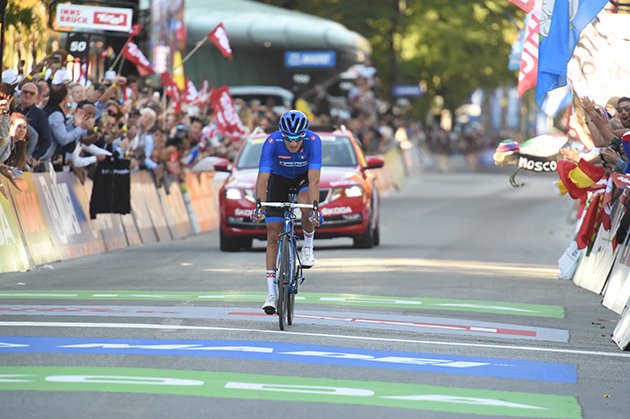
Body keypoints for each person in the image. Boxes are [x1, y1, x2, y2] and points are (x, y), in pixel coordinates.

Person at [251, 110, 323, 315]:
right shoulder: (272, 142)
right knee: (273, 235)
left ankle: (308, 244)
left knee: (304, 204)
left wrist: (315, 207)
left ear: (304, 134)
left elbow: (314, 180)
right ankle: (271, 294)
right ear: (282, 134)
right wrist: (259, 207)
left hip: (303, 178)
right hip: (278, 179)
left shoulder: (313, 141)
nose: (293, 143)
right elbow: (263, 178)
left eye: (297, 138)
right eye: (288, 138)